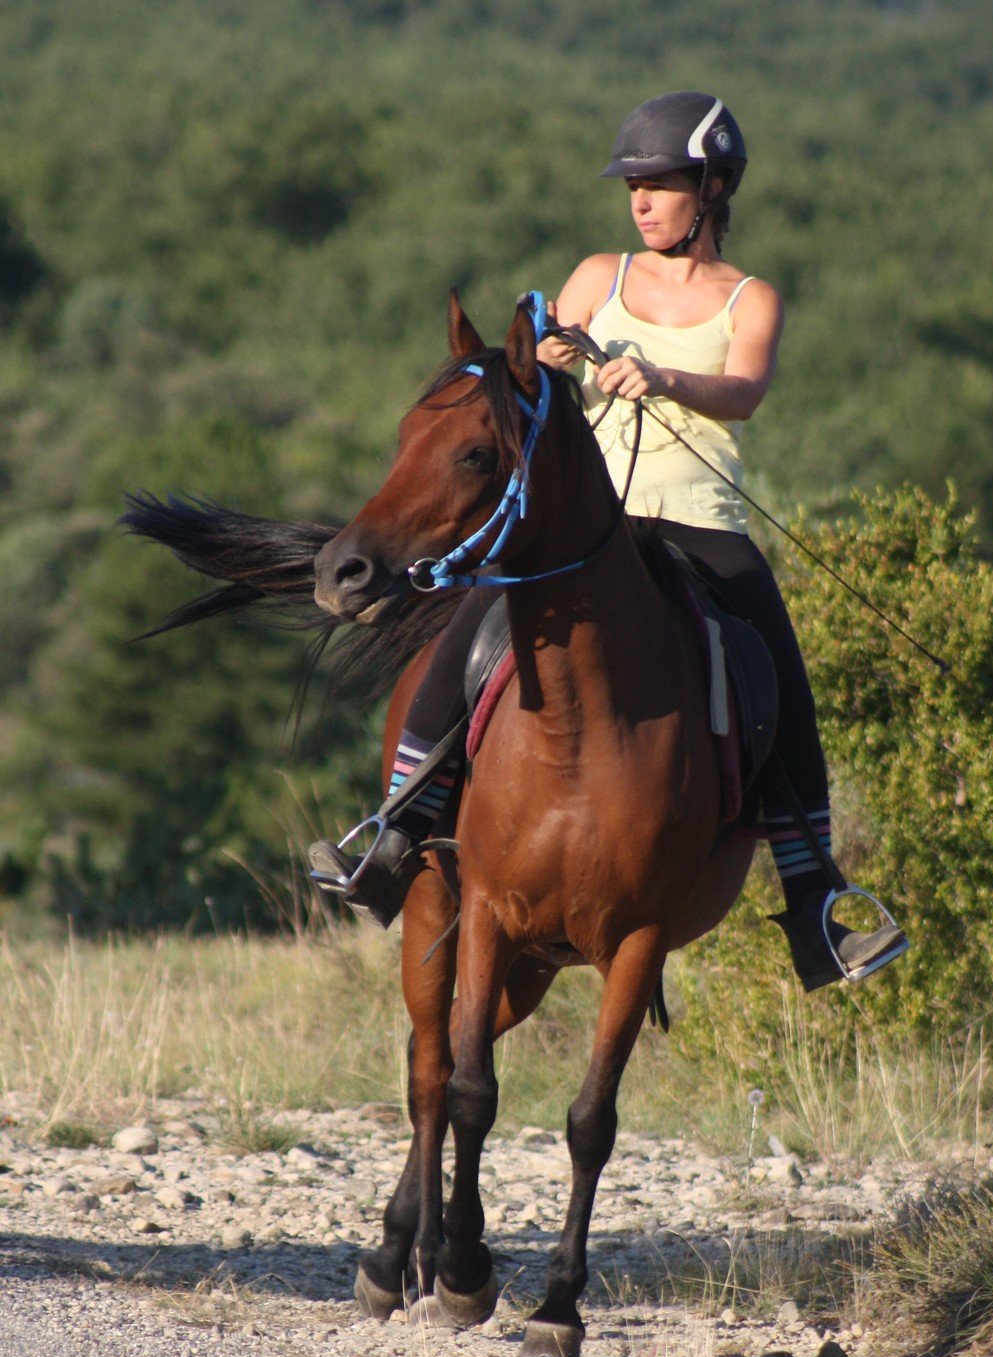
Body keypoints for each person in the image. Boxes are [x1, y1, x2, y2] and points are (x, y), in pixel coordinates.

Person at [310, 91, 908, 991]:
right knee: (462, 644)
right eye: (633, 184)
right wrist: (544, 366)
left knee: (780, 682)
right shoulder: (598, 275)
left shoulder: (751, 298)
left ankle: (817, 900)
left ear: (710, 189)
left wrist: (662, 374)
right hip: (590, 524)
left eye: (659, 183)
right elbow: (533, 380)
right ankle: (391, 835)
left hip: (703, 523)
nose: (640, 199)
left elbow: (743, 390)